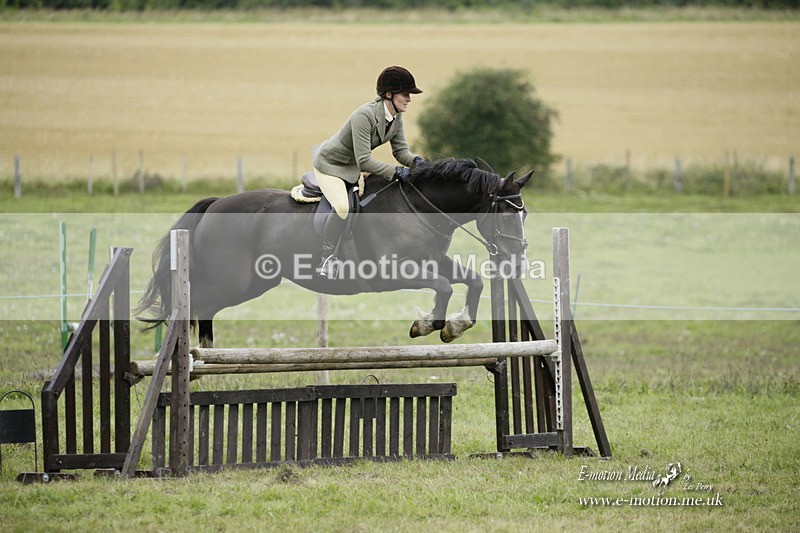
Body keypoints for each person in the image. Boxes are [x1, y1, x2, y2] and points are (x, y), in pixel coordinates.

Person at [312, 65, 426, 278]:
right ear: (389, 94)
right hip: (331, 165)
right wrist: (396, 172)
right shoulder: (364, 116)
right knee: (343, 207)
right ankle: (327, 258)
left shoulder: (395, 117)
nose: (409, 98)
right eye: (405, 94)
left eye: (410, 94)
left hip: (351, 166)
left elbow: (401, 152)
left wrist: (418, 162)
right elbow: (364, 160)